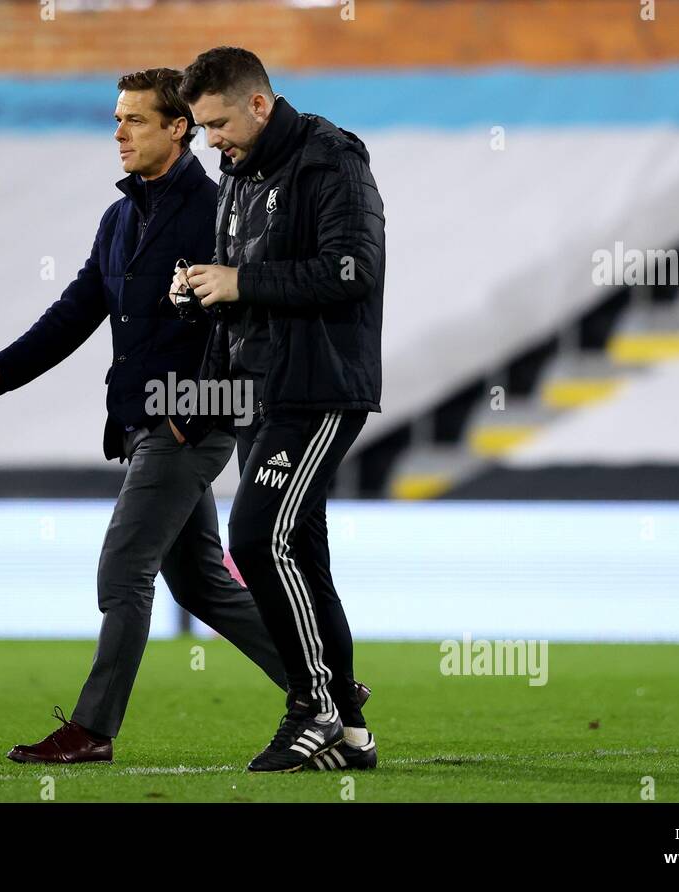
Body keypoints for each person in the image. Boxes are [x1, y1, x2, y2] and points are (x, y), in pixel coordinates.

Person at [0, 68, 289, 764]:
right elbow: (79, 308)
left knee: (122, 569)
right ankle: (324, 685)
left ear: (178, 128)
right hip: (143, 425)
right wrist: (1, 370)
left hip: (187, 423)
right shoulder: (122, 217)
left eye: (134, 120)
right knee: (200, 582)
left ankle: (93, 729)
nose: (119, 132)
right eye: (116, 119)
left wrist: (188, 421)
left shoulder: (217, 210)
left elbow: (241, 328)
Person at [170, 47, 385, 772]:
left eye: (218, 123)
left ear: (259, 104)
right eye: (200, 128)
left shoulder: (331, 158)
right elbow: (239, 288)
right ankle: (351, 730)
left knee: (257, 538)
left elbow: (353, 270)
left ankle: (313, 705)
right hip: (256, 391)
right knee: (303, 556)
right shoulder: (239, 171)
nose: (210, 141)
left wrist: (241, 281)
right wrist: (203, 291)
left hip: (318, 389)